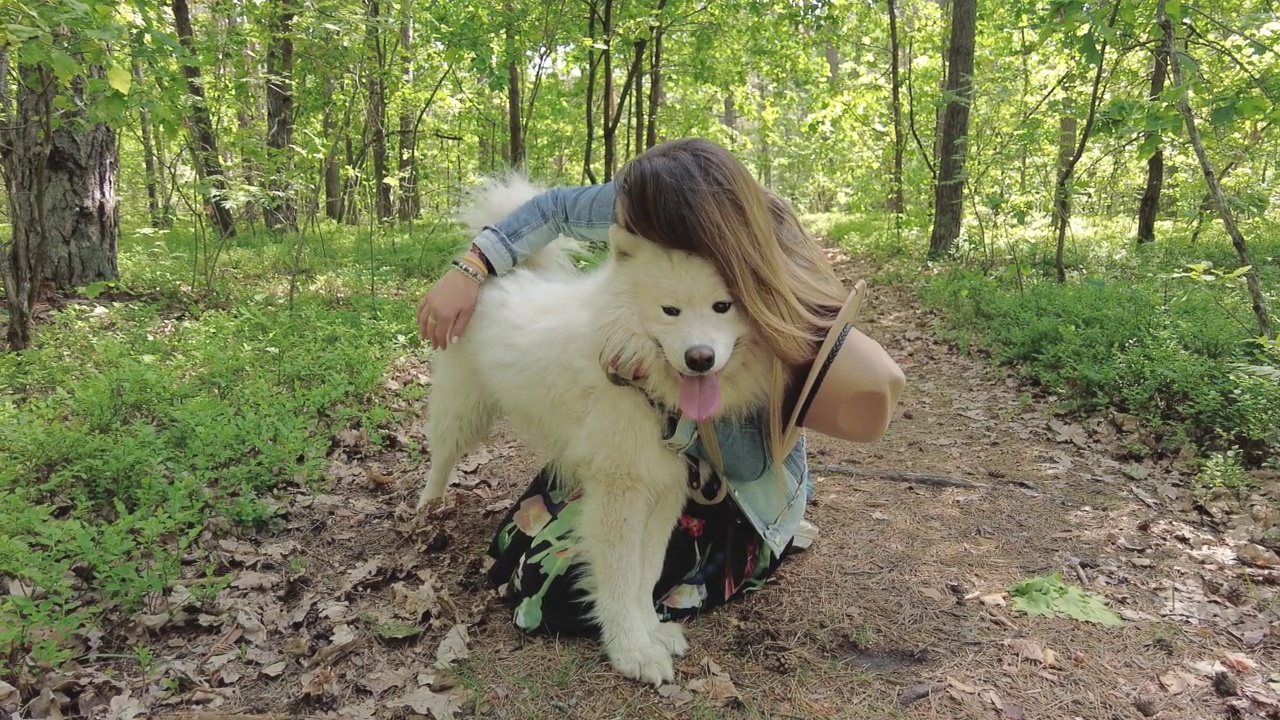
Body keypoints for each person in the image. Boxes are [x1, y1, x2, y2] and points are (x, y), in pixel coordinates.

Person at [416, 138, 906, 637]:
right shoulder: (650, 215)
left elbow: (747, 460)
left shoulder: (769, 266)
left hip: (734, 491)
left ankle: (747, 557)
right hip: (659, 456)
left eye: (638, 221)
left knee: (553, 596)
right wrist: (473, 266)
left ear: (691, 219)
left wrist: (665, 400)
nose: (625, 224)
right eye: (626, 216)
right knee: (521, 549)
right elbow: (558, 208)